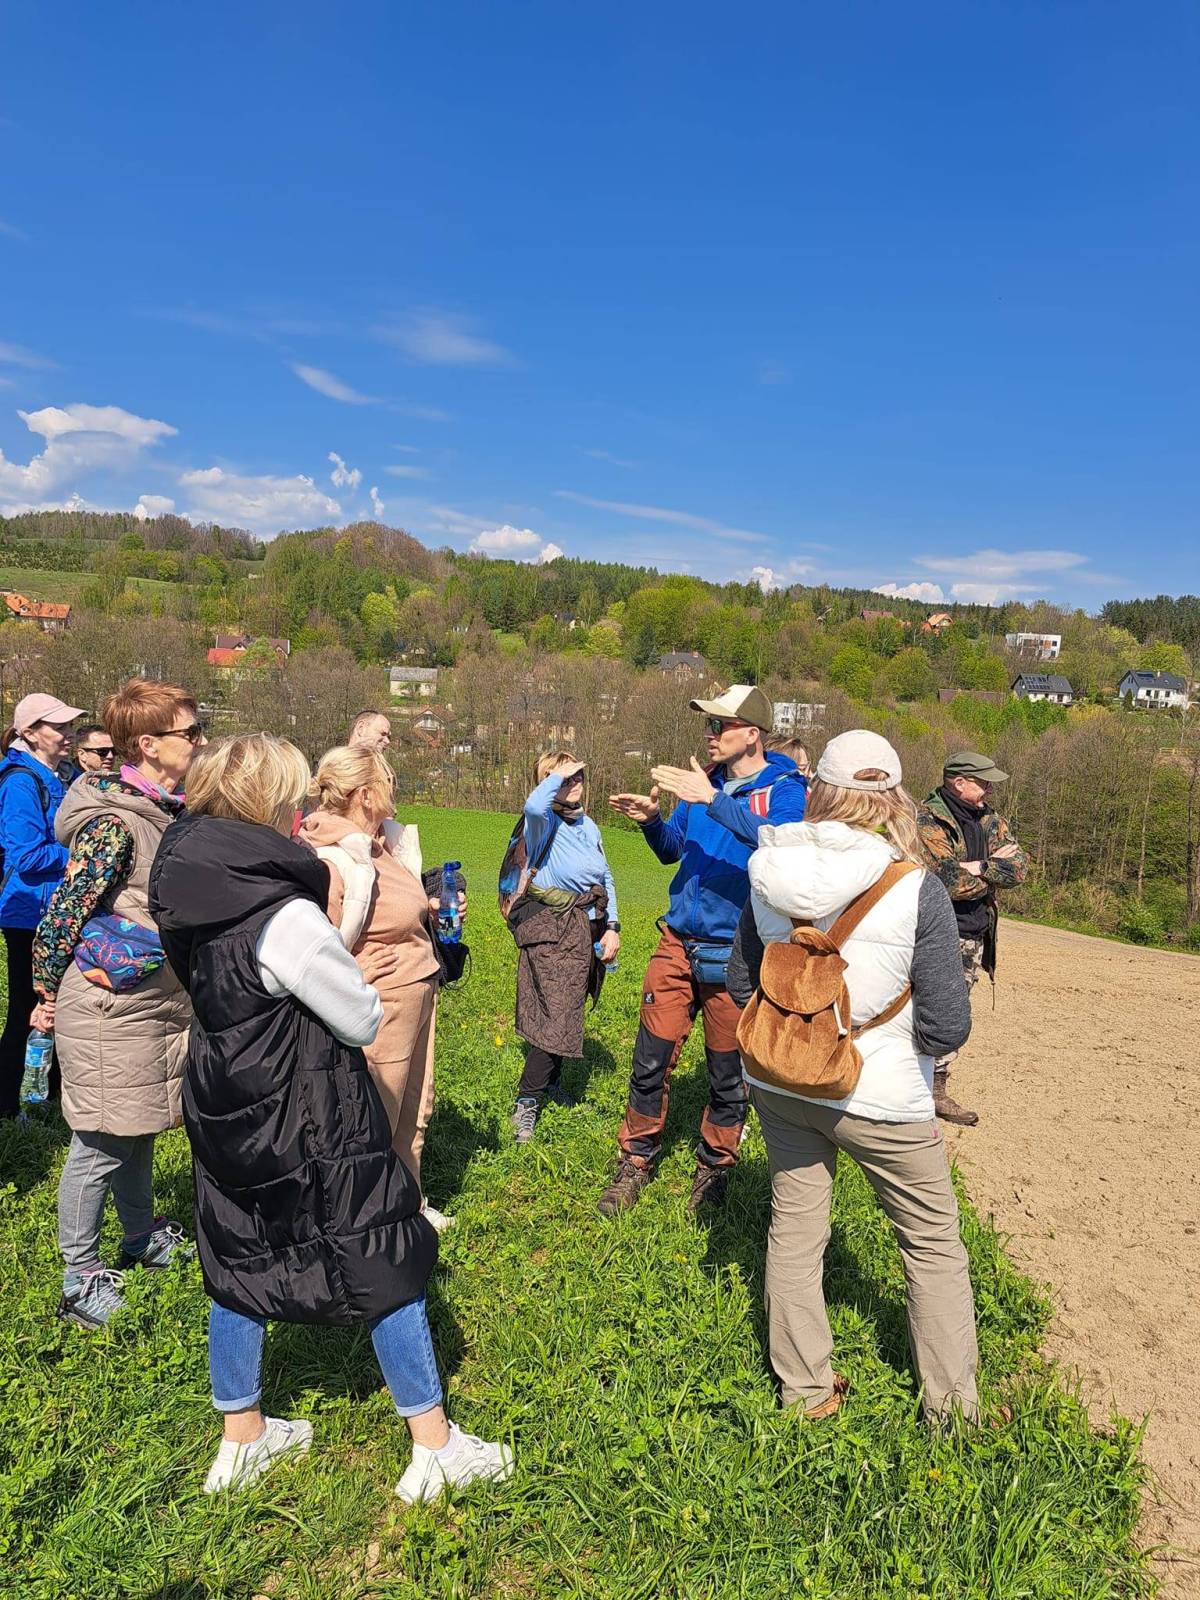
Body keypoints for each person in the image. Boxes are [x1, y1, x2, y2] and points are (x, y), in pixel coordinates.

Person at [148, 733, 511, 1500]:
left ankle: (242, 1436)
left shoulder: (182, 881)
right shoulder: (281, 912)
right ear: (269, 805)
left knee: (236, 1252)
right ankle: (435, 1447)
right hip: (304, 1102)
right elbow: (360, 1015)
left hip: (221, 1088)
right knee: (378, 1242)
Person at [727, 730, 979, 1423]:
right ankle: (952, 1414)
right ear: (895, 799)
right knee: (931, 1244)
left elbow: (744, 982)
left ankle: (805, 1394)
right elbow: (946, 1026)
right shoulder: (916, 886)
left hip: (783, 1084)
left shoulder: (767, 870)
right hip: (882, 1097)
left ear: (818, 793)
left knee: (795, 1231)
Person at [31, 680, 202, 1329]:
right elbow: (65, 911)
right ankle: (78, 1279)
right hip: (108, 1007)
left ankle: (138, 1237)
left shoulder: (164, 811)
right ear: (149, 745)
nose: (200, 742)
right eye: (190, 732)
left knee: (138, 1127)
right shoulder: (114, 823)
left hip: (149, 1005)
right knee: (101, 1141)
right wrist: (46, 993)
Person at [601, 684, 807, 1215]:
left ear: (752, 735)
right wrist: (651, 821)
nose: (710, 734)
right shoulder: (705, 781)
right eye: (708, 725)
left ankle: (715, 1167)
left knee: (727, 1072)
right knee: (650, 1059)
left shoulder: (785, 789)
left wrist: (713, 801)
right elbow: (673, 851)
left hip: (737, 953)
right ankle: (635, 1159)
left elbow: (785, 845)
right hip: (677, 942)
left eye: (720, 725)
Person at [299, 744, 458, 1231]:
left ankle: (406, 1205)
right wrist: (352, 972)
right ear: (365, 794)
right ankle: (362, 1222)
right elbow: (309, 942)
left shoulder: (381, 844)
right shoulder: (333, 855)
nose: (396, 787)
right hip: (381, 1005)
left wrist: (429, 910)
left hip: (417, 988)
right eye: (388, 780)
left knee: (414, 1109)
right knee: (375, 1116)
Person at [508, 752, 620, 1144]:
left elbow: (606, 877)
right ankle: (526, 1101)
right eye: (565, 778)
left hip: (586, 928)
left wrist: (613, 926)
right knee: (555, 1014)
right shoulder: (543, 823)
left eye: (579, 775)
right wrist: (557, 776)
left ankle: (552, 1083)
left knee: (569, 1007)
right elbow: (532, 805)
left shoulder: (588, 825)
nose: (575, 782)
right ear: (548, 782)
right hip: (553, 931)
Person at [917, 751, 1029, 1126]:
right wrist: (990, 874)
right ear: (959, 782)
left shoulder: (989, 819)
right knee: (924, 1009)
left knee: (955, 1012)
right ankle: (910, 1090)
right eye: (984, 783)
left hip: (974, 933)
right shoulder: (928, 819)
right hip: (935, 930)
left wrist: (978, 866)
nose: (990, 789)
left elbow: (1019, 868)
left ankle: (936, 1092)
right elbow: (945, 881)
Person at [0, 691, 84, 1118]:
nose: (69, 734)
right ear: (30, 733)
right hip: (28, 913)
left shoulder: (58, 775)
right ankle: (7, 1106)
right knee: (27, 1011)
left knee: (59, 1007)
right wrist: (85, 854)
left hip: (53, 910)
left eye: (70, 726)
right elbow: (27, 855)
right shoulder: (21, 781)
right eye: (59, 726)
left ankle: (49, 1100)